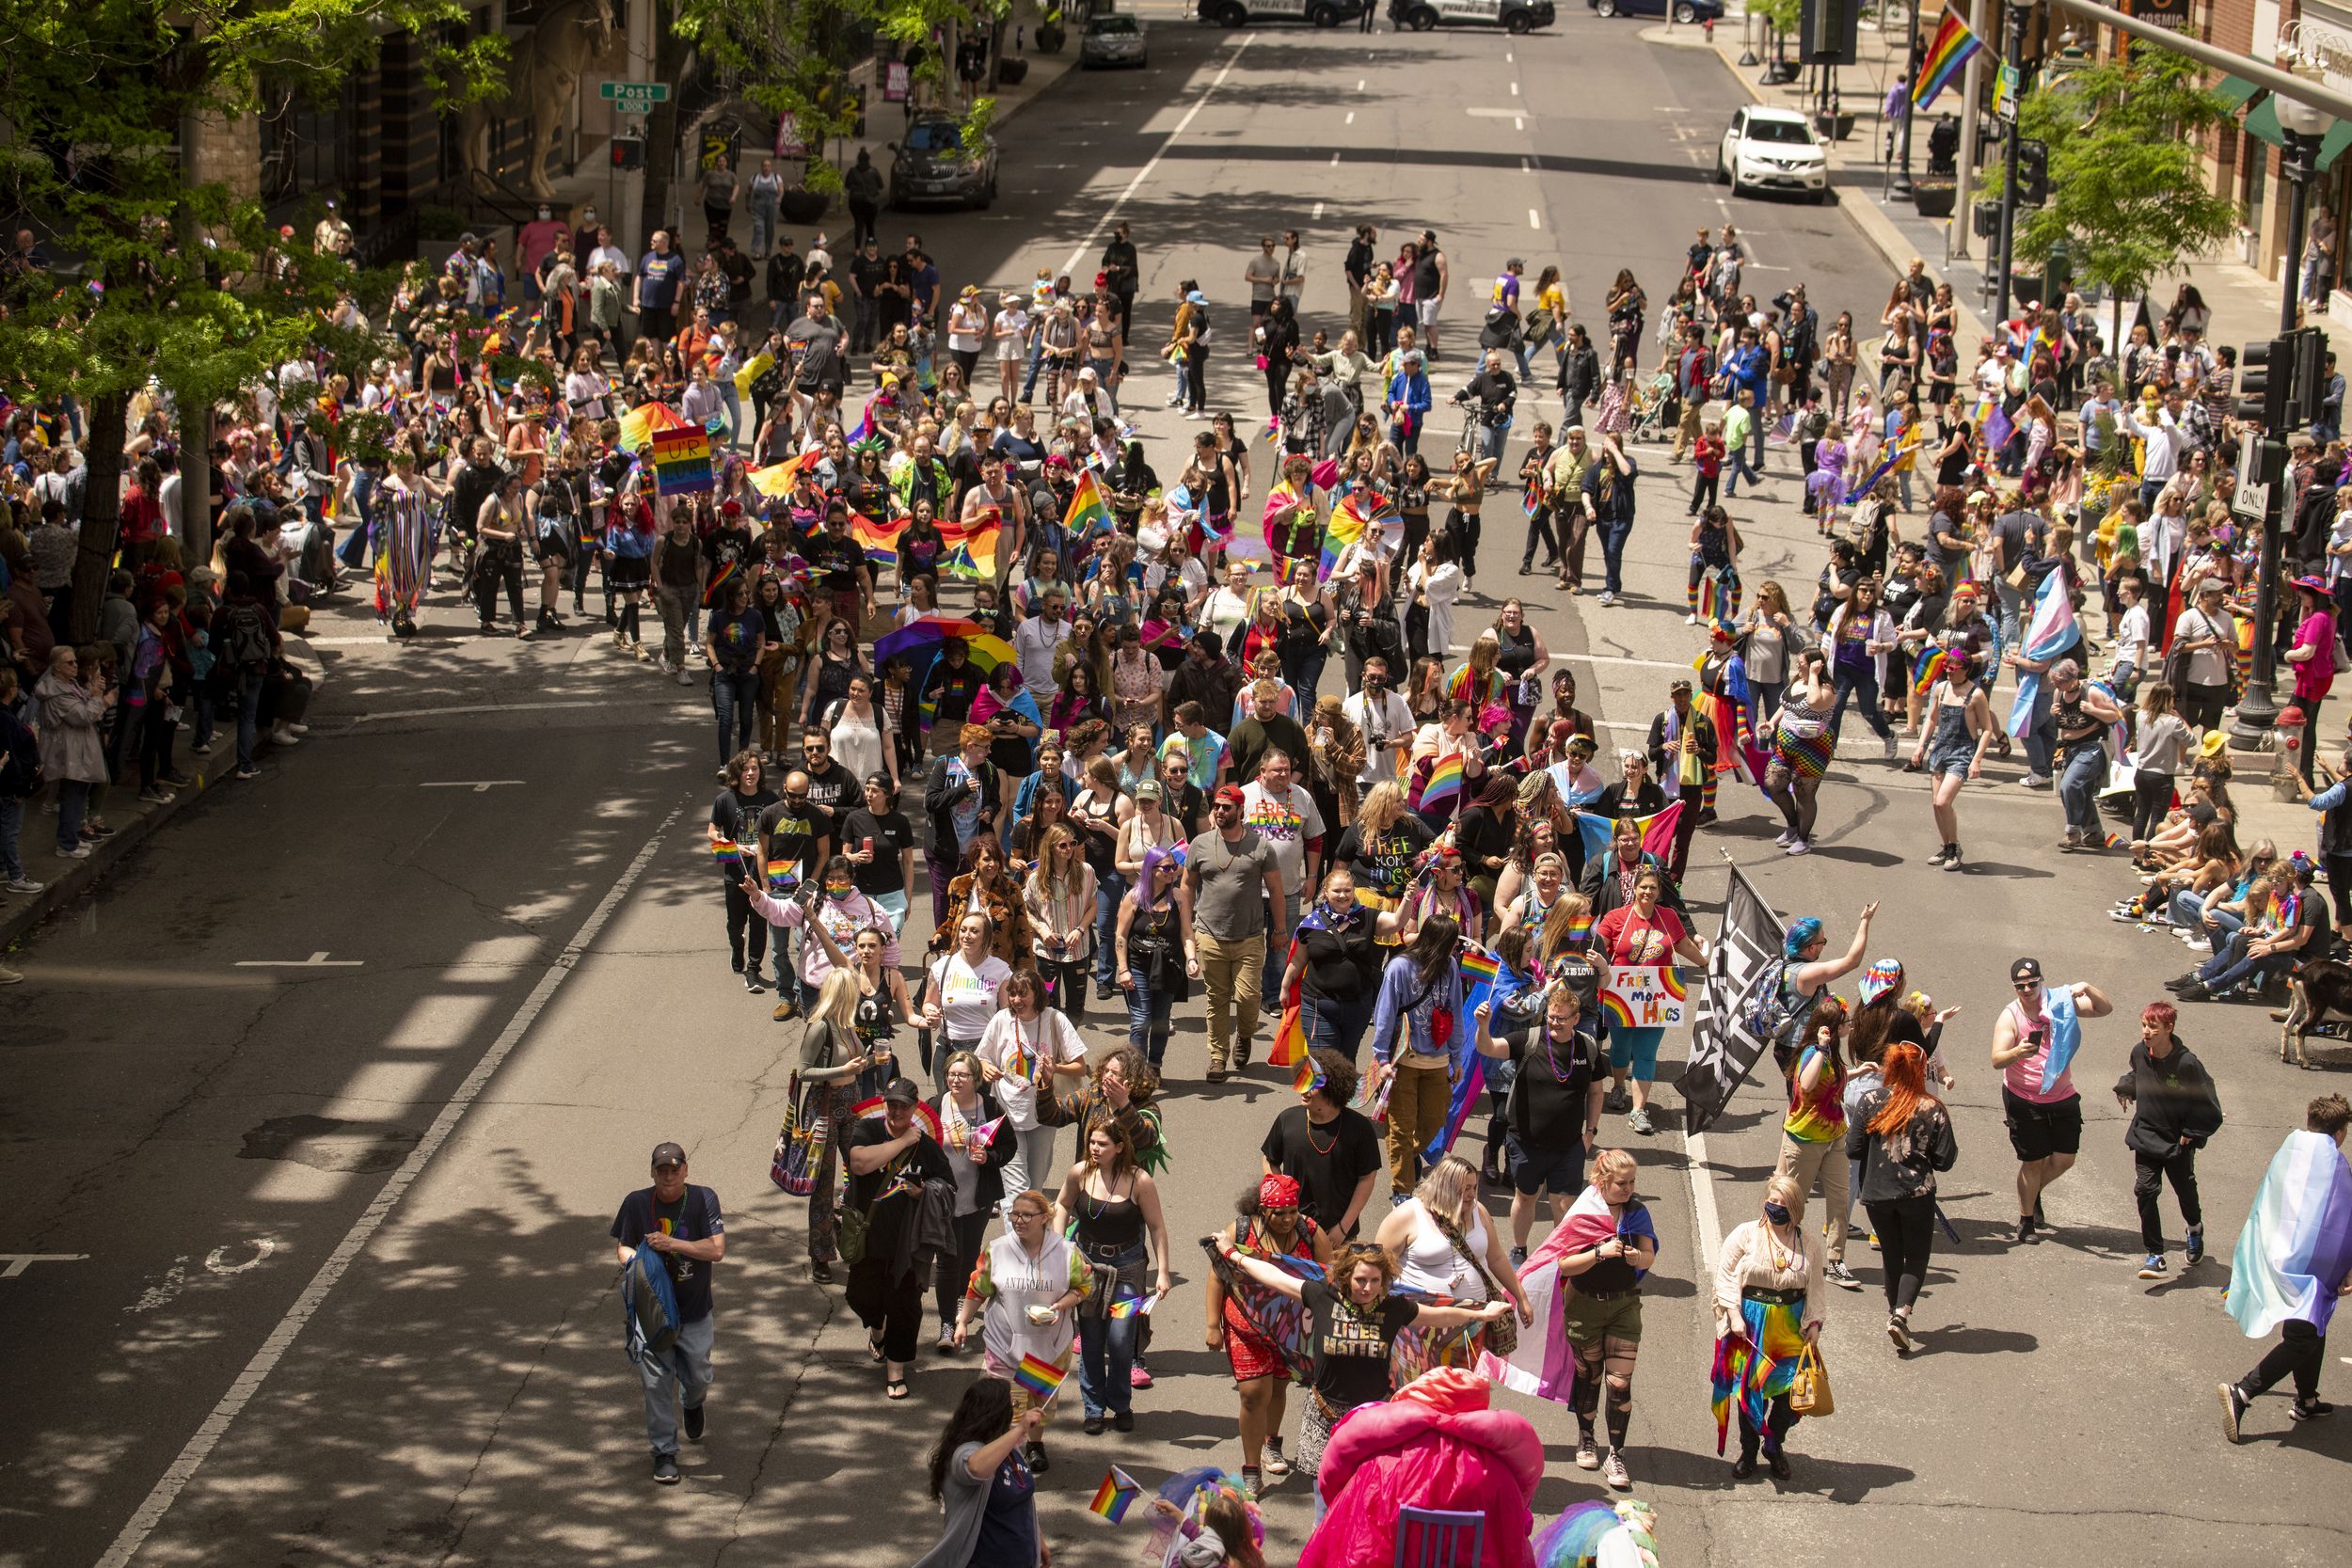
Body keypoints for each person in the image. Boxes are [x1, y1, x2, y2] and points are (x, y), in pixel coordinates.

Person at [1210, 1240, 1506, 1508]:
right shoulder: (1322, 1295)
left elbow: (1439, 1316)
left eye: (1375, 1281)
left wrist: (1479, 1315)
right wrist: (1233, 1254)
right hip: (1324, 1415)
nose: (1367, 1287)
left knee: (1365, 1497)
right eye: (1360, 1280)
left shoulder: (1394, 1308)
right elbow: (1274, 1277)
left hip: (1372, 1418)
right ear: (1345, 1277)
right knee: (1326, 1502)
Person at [2218, 1094, 2352, 1442]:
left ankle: (2307, 1399)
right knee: (2302, 1337)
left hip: (2275, 1254)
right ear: (2339, 1133)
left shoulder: (2290, 1151)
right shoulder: (2334, 1165)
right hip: (2308, 1268)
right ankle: (2242, 1392)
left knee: (2313, 1323)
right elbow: (2339, 1225)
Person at [1206, 1174, 1335, 1499]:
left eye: (1292, 1211)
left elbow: (1329, 1276)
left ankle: (1272, 1443)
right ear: (1263, 1211)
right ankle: (1251, 1471)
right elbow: (1218, 1275)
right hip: (1245, 1327)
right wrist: (1212, 1325)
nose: (1288, 1219)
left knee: (1277, 1388)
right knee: (1252, 1394)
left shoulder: (1311, 1232)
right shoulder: (1242, 1230)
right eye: (1279, 1213)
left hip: (1290, 1333)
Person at [610, 1141, 725, 1485]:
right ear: (652, 1173)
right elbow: (623, 1245)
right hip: (653, 1313)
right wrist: (639, 1264)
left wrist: (670, 1244)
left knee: (699, 1376)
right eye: (662, 1170)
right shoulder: (636, 1202)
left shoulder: (703, 1199)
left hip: (694, 1311)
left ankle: (692, 1403)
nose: (669, 1176)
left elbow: (716, 1250)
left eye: (675, 1169)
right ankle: (664, 1452)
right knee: (656, 1383)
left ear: (686, 1170)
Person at [1053, 1120, 1173, 1434]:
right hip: (1088, 1266)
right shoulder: (1079, 1172)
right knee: (1091, 1340)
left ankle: (1121, 1403)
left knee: (1120, 1339)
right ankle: (1093, 1409)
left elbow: (1157, 1227)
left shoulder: (1140, 1180)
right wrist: (1060, 1246)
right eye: (1092, 1142)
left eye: (1102, 1144)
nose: (1095, 1148)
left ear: (1119, 1147)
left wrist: (1161, 1272)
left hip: (1128, 1267)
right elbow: (1062, 1205)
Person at [843, 1077, 956, 1402]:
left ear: (914, 1108)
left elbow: (947, 1187)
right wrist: (904, 1139)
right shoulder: (868, 1131)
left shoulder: (928, 1148)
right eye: (891, 1104)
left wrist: (924, 1192)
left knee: (905, 1307)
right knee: (863, 1297)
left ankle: (896, 1371)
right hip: (868, 1238)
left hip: (909, 1244)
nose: (895, 1111)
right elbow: (860, 1164)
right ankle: (877, 1329)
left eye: (902, 1106)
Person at [1991, 958, 2114, 1245]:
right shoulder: (2010, 1016)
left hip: (2062, 1094)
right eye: (2020, 985)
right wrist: (2017, 1052)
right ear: (2014, 987)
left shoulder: (2059, 1004)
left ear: (2041, 981)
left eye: (2032, 983)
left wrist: (2086, 987)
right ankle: (2026, 1219)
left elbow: (2104, 1009)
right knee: (2032, 1162)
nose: (2027, 989)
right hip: (2024, 1098)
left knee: (2064, 1159)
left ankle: (2032, 1193)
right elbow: (1997, 1059)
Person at [1482, 980, 1608, 1262]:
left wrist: (1590, 1132)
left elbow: (1596, 1091)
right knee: (1526, 1197)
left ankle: (1559, 1257)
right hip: (1526, 1143)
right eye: (1551, 1016)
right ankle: (1519, 1249)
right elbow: (1489, 1048)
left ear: (1576, 1018)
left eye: (1561, 1019)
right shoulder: (1529, 1039)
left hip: (1569, 1147)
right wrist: (1483, 1025)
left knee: (1564, 1204)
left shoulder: (1587, 1048)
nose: (1555, 1023)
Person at [1712, 1174, 1826, 1480]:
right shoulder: (1745, 1235)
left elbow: (1815, 1287)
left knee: (1790, 1396)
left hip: (1790, 1330)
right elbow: (1724, 1276)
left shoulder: (1809, 1244)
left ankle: (1774, 1444)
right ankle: (1748, 1452)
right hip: (1750, 1327)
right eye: (1772, 1201)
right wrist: (1734, 1315)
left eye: (1783, 1203)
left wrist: (1814, 1322)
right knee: (1750, 1392)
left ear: (1795, 1208)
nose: (1776, 1207)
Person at [1847, 1040, 1959, 1352]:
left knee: (1891, 1252)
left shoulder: (1870, 1100)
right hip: (1916, 1194)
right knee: (1918, 1254)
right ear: (1920, 1071)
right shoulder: (1931, 1108)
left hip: (1876, 1193)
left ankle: (1893, 1313)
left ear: (1889, 1068)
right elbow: (1946, 1159)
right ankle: (1901, 1314)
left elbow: (1853, 1148)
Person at [2113, 1001, 2224, 1280]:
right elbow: (2138, 1074)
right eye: (2144, 1025)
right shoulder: (2140, 1052)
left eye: (2153, 1027)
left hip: (2177, 1142)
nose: (2146, 1032)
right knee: (2145, 1191)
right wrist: (2127, 1087)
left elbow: (2209, 1104)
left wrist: (2192, 1132)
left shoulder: (2188, 1064)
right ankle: (2155, 1255)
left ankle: (2194, 1229)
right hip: (2147, 1136)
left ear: (2169, 1028)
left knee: (2185, 1193)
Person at [1184, 783, 1284, 1082]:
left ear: (1241, 811)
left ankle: (1245, 1036)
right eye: (1217, 806)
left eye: (1226, 807)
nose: (1220, 811)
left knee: (1249, 997)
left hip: (1250, 936)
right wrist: (1187, 926)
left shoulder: (1260, 846)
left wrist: (1280, 929)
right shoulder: (1200, 844)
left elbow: (1276, 891)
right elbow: (1187, 886)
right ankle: (1218, 1057)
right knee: (1217, 999)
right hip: (1209, 934)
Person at [1593, 866, 1704, 1136]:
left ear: (1659, 891)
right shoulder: (1616, 917)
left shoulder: (1668, 917)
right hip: (1621, 996)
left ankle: (1638, 1110)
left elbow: (1683, 946)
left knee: (1645, 1052)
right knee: (1620, 1047)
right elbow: (1597, 946)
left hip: (1657, 998)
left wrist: (1707, 963)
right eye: (1643, 887)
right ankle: (1619, 1087)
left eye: (1653, 887)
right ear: (1634, 889)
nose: (1648, 892)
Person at [1365, 916, 1470, 1197]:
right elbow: (1384, 1016)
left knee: (1434, 1120)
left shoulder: (1450, 967)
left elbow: (1456, 1013)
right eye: (1452, 943)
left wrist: (1457, 1058)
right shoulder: (1399, 967)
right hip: (1403, 1062)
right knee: (1401, 1127)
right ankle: (1402, 1192)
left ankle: (1404, 1157)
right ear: (1439, 943)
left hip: (1438, 1061)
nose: (1456, 948)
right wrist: (1382, 1060)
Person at [977, 969, 1090, 1219]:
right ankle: (1018, 1245)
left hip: (1043, 1114)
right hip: (1007, 1112)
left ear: (1037, 994)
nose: (1016, 1000)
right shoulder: (1001, 1020)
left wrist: (1055, 1068)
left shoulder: (1054, 1019)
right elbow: (981, 1057)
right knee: (1015, 1190)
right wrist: (987, 1068)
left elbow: (1080, 1065)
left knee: (1034, 1186)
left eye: (1023, 994)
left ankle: (1031, 1243)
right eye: (1013, 994)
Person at [932, 1052, 1020, 1354]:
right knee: (946, 1259)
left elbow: (1009, 1145)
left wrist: (989, 1157)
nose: (956, 1080)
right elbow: (918, 1144)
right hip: (943, 1199)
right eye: (952, 1075)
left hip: (977, 1198)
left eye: (963, 1076)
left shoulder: (991, 1108)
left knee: (969, 1254)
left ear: (975, 1080)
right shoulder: (935, 1106)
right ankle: (946, 1323)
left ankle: (962, 1301)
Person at [911, 1377, 1046, 1568]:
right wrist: (1020, 1430)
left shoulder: (1009, 1448)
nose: (1015, 1412)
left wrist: (1038, 1539)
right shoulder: (962, 1454)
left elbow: (1021, 1500)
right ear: (995, 1414)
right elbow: (976, 1468)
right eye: (1011, 1407)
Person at [1261, 1049, 1384, 1243]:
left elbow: (1367, 1178)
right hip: (1292, 1229)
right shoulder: (1287, 1120)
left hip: (1340, 1234)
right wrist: (1282, 1193)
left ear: (1332, 1089)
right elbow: (1270, 1159)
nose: (1302, 1089)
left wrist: (1343, 1228)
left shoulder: (1359, 1128)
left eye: (1311, 1084)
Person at [1910, 650, 1994, 869]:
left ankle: (1954, 847)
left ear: (1965, 670)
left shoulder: (1976, 695)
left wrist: (1977, 760)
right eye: (1946, 667)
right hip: (1940, 749)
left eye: (1953, 669)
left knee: (1942, 801)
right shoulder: (1941, 688)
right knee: (1936, 806)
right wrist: (1920, 747)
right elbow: (1931, 720)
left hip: (1962, 752)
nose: (1948, 672)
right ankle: (1947, 847)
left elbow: (1987, 729)